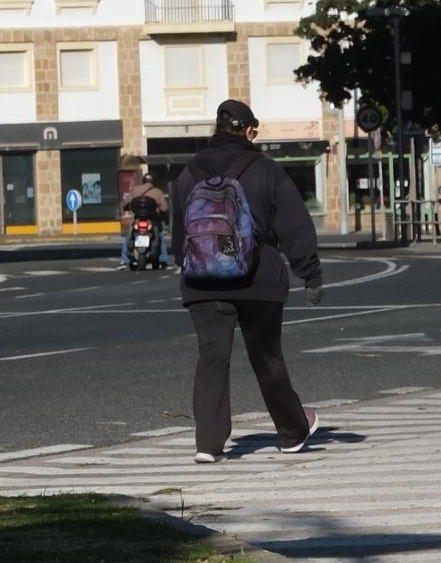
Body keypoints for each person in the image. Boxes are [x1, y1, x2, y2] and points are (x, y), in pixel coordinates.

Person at [170, 99, 325, 463]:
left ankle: (207, 444)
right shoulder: (265, 169)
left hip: (202, 281)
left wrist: (190, 264)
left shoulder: (188, 173)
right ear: (249, 131)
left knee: (212, 357)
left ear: (217, 128)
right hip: (258, 279)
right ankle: (292, 432)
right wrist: (310, 273)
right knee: (267, 356)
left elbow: (179, 235)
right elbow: (294, 224)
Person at [117, 167, 167, 269]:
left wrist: (126, 208)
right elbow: (165, 208)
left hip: (137, 220)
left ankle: (125, 260)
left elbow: (124, 203)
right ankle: (163, 260)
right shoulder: (158, 192)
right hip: (152, 220)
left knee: (128, 237)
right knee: (160, 236)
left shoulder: (136, 190)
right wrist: (161, 213)